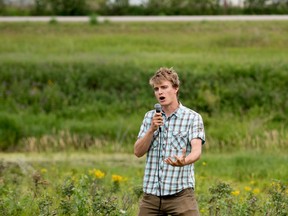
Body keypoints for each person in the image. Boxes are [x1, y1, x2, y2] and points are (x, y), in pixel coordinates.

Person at [134, 67, 205, 216]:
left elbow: (197, 150)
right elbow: (138, 152)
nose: (160, 92)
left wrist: (185, 161)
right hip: (151, 196)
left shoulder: (192, 117)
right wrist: (151, 130)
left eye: (164, 87)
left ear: (176, 88)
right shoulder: (149, 117)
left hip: (181, 195)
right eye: (156, 89)